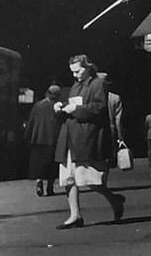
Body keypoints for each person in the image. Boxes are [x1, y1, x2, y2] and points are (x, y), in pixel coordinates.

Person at [54, 54, 125, 229]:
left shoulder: (97, 84)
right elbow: (73, 104)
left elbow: (99, 107)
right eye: (73, 72)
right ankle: (75, 215)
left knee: (92, 180)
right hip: (69, 136)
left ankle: (115, 200)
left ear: (88, 67)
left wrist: (76, 109)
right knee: (68, 178)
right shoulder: (75, 86)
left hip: (85, 137)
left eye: (78, 71)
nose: (75, 75)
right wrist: (61, 107)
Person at [25, 84, 64, 197]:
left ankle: (39, 182)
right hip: (53, 139)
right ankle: (50, 187)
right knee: (52, 164)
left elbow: (31, 121)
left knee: (38, 163)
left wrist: (27, 136)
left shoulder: (38, 105)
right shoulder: (58, 106)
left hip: (38, 138)